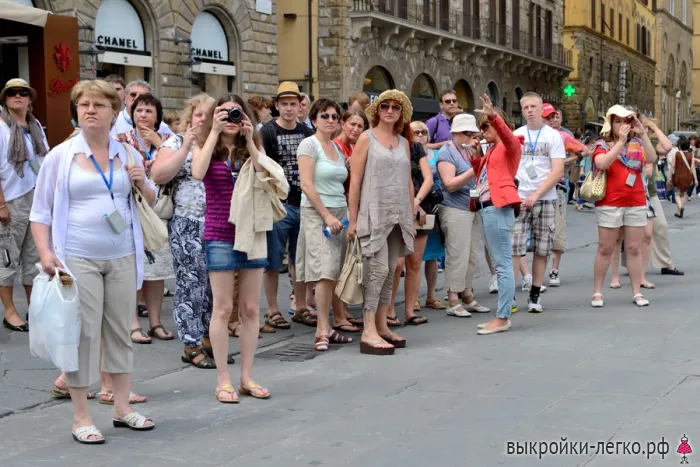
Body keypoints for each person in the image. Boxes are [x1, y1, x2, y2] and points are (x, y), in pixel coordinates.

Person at [30, 79, 156, 444]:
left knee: (119, 330)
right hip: (77, 256)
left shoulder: (127, 153)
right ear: (76, 111)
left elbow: (149, 198)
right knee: (82, 335)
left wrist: (141, 180)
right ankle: (81, 415)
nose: (90, 110)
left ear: (114, 113)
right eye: (83, 104)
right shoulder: (61, 155)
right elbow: (41, 212)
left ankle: (121, 407)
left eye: (98, 105)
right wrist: (45, 252)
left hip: (122, 254)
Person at [192, 94, 280, 402]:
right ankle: (223, 379)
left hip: (252, 232)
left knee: (251, 309)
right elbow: (197, 173)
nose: (230, 117)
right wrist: (213, 131)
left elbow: (265, 173)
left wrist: (250, 139)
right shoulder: (207, 147)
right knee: (223, 308)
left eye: (235, 113)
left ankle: (246, 376)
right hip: (219, 233)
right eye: (223, 112)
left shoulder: (250, 147)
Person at [150, 93, 217, 368]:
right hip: (186, 221)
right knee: (191, 283)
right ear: (189, 118)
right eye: (197, 114)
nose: (202, 119)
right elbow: (158, 175)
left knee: (214, 285)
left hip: (217, 221)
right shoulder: (176, 142)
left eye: (207, 114)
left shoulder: (220, 144)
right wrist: (185, 148)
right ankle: (191, 343)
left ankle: (208, 337)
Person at [348, 90, 415, 355]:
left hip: (398, 214)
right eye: (385, 106)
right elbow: (355, 181)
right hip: (374, 212)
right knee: (376, 271)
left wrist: (412, 209)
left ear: (401, 113)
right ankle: (368, 329)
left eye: (395, 107)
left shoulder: (404, 142)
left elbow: (408, 180)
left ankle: (382, 324)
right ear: (377, 111)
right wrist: (353, 219)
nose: (390, 110)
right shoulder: (366, 138)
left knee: (391, 270)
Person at [296, 98, 355, 351]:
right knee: (324, 270)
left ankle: (328, 327)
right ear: (313, 120)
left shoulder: (337, 148)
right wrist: (326, 216)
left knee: (335, 271)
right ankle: (322, 329)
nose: (330, 120)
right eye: (324, 116)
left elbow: (343, 181)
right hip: (317, 212)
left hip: (340, 210)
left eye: (334, 117)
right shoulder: (309, 144)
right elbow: (306, 184)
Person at [116, 93, 175, 342]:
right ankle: (132, 324)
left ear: (157, 116)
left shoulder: (169, 141)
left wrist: (159, 145)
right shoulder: (121, 140)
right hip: (131, 209)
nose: (143, 115)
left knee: (157, 270)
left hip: (159, 211)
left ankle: (155, 322)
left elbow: (173, 171)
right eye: (139, 110)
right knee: (133, 269)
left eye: (149, 111)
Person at [260, 82, 315, 330]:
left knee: (300, 258)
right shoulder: (268, 132)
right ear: (277, 105)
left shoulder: (306, 132)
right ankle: (272, 309)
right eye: (285, 104)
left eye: (294, 103)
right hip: (279, 204)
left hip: (303, 202)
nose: (290, 108)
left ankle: (301, 306)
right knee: (273, 260)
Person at [590, 105, 657, 308]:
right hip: (610, 202)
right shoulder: (602, 144)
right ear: (610, 123)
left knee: (634, 248)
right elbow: (602, 163)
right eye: (617, 120)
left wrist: (643, 132)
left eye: (626, 120)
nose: (622, 125)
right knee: (605, 247)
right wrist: (619, 142)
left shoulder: (637, 143)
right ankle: (597, 291)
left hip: (635, 201)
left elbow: (652, 158)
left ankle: (637, 292)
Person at [0, 78, 48, 331]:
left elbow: (45, 160)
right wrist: (1, 206)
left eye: (22, 92)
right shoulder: (0, 127)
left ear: (30, 99)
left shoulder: (35, 125)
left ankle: (35, 309)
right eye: (11, 93)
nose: (17, 96)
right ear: (5, 99)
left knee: (33, 257)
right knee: (7, 258)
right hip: (12, 198)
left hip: (36, 197)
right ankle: (9, 312)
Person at [471, 95, 521, 335]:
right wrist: (475, 157)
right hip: (489, 208)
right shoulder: (491, 151)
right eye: (481, 126)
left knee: (502, 265)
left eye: (485, 125)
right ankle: (502, 312)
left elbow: (508, 136)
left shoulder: (510, 145)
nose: (482, 130)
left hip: (497, 208)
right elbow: (483, 178)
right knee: (501, 263)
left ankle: (502, 317)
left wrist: (493, 116)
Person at [512, 92, 565, 313]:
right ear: (522, 110)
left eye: (534, 106)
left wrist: (537, 194)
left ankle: (534, 295)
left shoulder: (552, 136)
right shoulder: (516, 135)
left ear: (541, 109)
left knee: (542, 249)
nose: (530, 110)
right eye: (526, 107)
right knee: (514, 247)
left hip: (545, 199)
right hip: (520, 198)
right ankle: (510, 296)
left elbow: (558, 170)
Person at [436, 113, 490, 317]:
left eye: (473, 133)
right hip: (454, 207)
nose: (471, 136)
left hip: (472, 206)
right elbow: (449, 184)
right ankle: (452, 298)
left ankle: (467, 295)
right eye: (467, 133)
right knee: (457, 254)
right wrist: (475, 169)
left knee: (471, 255)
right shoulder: (446, 152)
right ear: (456, 133)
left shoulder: (469, 150)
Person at [542, 104, 590, 287]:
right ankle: (532, 275)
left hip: (558, 187)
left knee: (558, 229)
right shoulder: (533, 136)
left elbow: (585, 151)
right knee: (539, 233)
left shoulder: (563, 136)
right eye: (549, 117)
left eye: (556, 117)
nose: (553, 120)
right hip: (536, 188)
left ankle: (554, 270)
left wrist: (566, 161)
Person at [410, 120, 445, 310]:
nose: (421, 135)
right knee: (414, 257)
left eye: (424, 132)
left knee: (433, 255)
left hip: (434, 207)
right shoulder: (409, 152)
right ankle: (412, 297)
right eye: (416, 132)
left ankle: (431, 296)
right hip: (414, 205)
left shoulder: (437, 154)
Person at [670, 136, 696, 218]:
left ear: (680, 145)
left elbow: (673, 166)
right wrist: (695, 179)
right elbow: (692, 167)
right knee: (683, 194)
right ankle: (678, 212)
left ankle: (680, 208)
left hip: (678, 176)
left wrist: (670, 177)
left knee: (677, 194)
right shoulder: (691, 155)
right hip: (687, 177)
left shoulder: (676, 154)